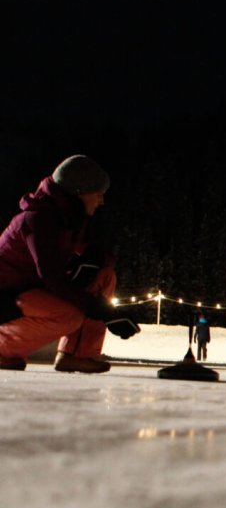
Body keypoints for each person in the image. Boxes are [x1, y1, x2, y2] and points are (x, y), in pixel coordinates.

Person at [0, 155, 140, 373]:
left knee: (104, 275)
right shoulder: (37, 220)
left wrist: (97, 259)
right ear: (79, 192)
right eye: (98, 194)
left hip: (32, 291)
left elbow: (79, 257)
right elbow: (52, 277)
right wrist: (102, 310)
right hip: (8, 297)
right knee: (69, 316)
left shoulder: (67, 218)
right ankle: (3, 348)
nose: (101, 201)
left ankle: (77, 354)